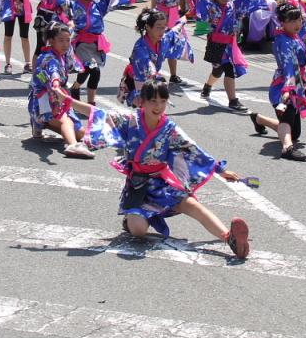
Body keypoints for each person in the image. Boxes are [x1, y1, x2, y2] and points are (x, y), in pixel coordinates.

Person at [68, 80, 251, 258]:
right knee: (138, 231)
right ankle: (133, 218)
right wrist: (67, 100)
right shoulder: (130, 121)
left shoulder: (170, 129)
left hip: (163, 183)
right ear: (142, 102)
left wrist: (220, 170)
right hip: (138, 186)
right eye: (153, 101)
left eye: (163, 101)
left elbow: (193, 148)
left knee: (194, 207)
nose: (158, 106)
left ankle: (230, 239)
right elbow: (98, 113)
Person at [45, 0, 131, 105]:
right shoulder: (73, 6)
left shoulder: (99, 6)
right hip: (81, 44)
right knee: (93, 70)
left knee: (90, 71)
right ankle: (91, 103)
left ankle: (77, 88)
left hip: (96, 44)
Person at [247, 2, 306, 161]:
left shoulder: (295, 35)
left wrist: (300, 3)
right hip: (284, 86)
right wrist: (287, 90)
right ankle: (287, 148)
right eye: (291, 21)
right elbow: (288, 66)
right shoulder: (283, 41)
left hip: (296, 83)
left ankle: (258, 119)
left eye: (298, 20)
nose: (297, 24)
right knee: (286, 118)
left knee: (294, 132)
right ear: (282, 22)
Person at [193, 0, 267, 110]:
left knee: (219, 70)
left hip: (230, 45)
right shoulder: (212, 7)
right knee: (228, 70)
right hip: (216, 44)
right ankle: (233, 101)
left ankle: (207, 87)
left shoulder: (234, 6)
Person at [28, 21, 93, 157]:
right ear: (51, 41)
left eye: (67, 40)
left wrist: (72, 26)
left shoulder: (61, 55)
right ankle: (72, 146)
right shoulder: (49, 58)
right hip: (44, 99)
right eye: (61, 40)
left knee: (81, 134)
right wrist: (56, 85)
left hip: (59, 96)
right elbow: (54, 73)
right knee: (66, 121)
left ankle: (40, 124)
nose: (65, 44)